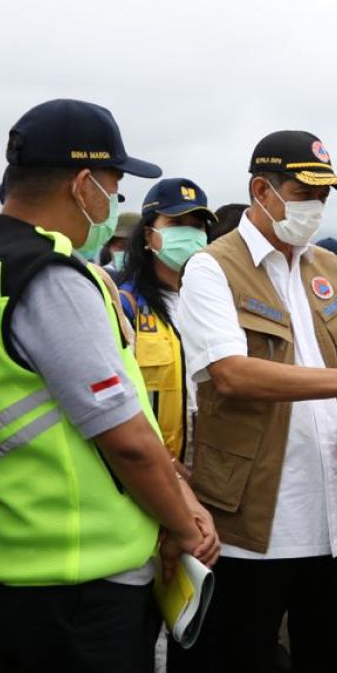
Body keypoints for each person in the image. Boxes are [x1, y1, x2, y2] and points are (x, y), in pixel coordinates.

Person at [0, 99, 219, 673]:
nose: (116, 205)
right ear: (84, 183)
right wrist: (182, 524)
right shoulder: (47, 277)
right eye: (115, 188)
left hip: (27, 568)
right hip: (76, 588)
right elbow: (127, 440)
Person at [178, 130, 337, 673]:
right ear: (262, 190)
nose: (316, 208)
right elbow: (231, 375)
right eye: (305, 193)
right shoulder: (213, 268)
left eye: (324, 198)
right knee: (245, 661)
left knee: (331, 661)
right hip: (256, 523)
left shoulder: (325, 266)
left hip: (336, 516)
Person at [118, 177, 216, 471]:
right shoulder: (127, 306)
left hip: (215, 472)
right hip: (152, 470)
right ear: (149, 236)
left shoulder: (218, 302)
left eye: (197, 226)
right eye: (176, 224)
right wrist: (167, 464)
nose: (190, 234)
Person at [102, 210, 141, 278]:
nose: (127, 252)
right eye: (122, 246)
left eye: (134, 246)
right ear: (110, 247)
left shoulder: (157, 279)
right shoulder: (100, 276)